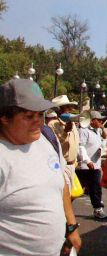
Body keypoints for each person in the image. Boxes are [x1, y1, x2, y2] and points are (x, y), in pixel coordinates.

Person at [0, 78, 81, 255]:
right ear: (4, 118)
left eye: (40, 114)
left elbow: (61, 186)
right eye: (29, 116)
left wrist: (71, 226)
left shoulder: (47, 140)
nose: (38, 122)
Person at [77, 109, 107, 220]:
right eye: (98, 120)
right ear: (91, 121)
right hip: (85, 166)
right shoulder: (84, 131)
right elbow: (80, 147)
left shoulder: (98, 131)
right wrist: (87, 160)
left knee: (95, 188)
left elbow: (102, 142)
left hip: (95, 165)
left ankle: (98, 208)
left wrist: (101, 149)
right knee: (76, 190)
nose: (101, 121)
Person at [47, 94, 80, 191]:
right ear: (59, 109)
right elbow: (54, 145)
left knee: (69, 194)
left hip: (72, 165)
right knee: (63, 195)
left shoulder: (72, 123)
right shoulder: (52, 124)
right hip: (62, 166)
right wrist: (65, 132)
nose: (70, 109)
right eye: (67, 107)